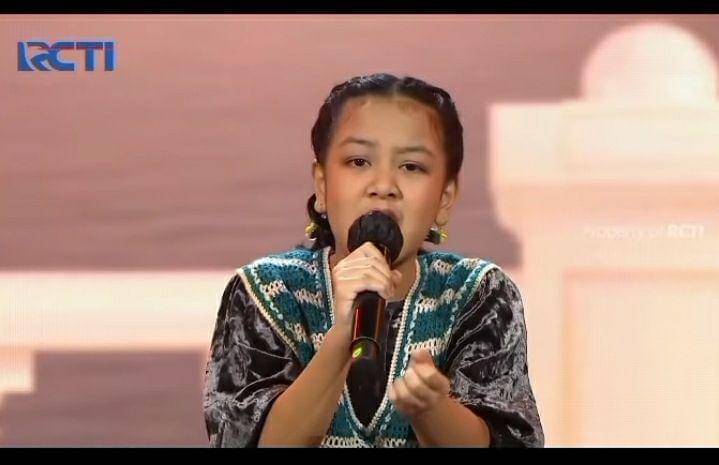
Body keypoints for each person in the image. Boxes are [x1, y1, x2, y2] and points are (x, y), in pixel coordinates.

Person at [202, 73, 544, 448]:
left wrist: (432, 409)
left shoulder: (476, 294)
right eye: (359, 161)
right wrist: (342, 336)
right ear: (322, 185)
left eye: (411, 166)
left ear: (445, 198)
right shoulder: (266, 292)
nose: (383, 186)